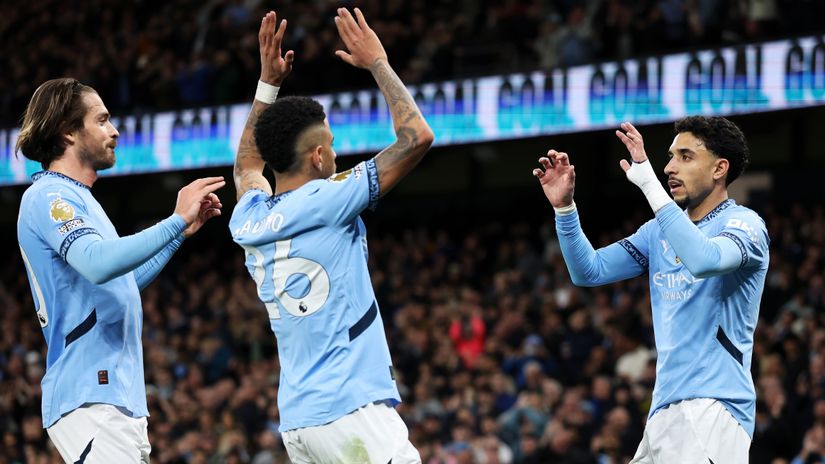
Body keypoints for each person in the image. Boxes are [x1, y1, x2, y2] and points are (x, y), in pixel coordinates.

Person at [229, 9, 434, 464]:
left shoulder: (248, 216)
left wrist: (267, 84)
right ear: (318, 157)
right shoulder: (329, 198)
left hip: (299, 422)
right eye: (333, 145)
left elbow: (246, 166)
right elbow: (416, 137)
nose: (337, 154)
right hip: (350, 410)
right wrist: (378, 63)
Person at [533, 117, 769, 463]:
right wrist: (564, 209)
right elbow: (589, 271)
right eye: (671, 157)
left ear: (720, 169)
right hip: (663, 411)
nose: (670, 167)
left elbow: (705, 260)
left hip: (714, 408)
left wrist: (648, 183)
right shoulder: (657, 232)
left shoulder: (745, 225)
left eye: (686, 156)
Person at [15, 78, 224, 463]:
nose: (114, 131)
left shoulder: (80, 199)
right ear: (68, 132)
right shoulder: (48, 196)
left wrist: (177, 235)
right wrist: (175, 220)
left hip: (115, 398)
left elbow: (119, 284)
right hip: (89, 394)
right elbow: (98, 263)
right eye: (101, 120)